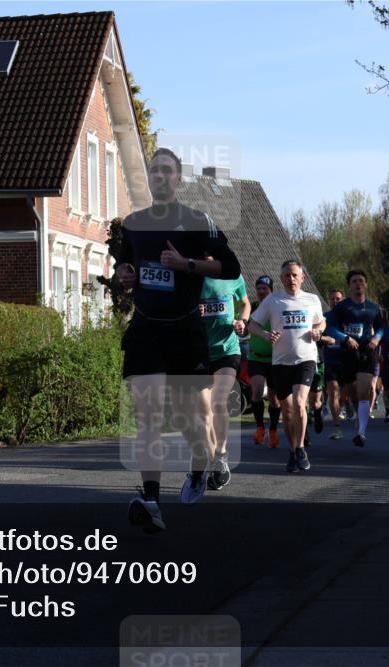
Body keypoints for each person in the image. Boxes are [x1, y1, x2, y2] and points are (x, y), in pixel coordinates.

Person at [115, 148, 241, 533]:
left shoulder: (197, 221)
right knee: (148, 415)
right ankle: (151, 500)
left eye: (167, 171)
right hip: (146, 329)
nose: (160, 176)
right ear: (148, 177)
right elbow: (124, 264)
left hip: (185, 330)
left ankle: (201, 465)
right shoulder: (134, 224)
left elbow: (230, 266)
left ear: (177, 178)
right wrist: (125, 274)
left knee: (190, 419)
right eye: (154, 170)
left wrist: (186, 264)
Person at [248, 260, 325, 472]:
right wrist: (265, 334)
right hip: (281, 362)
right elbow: (252, 325)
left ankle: (300, 449)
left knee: (300, 403)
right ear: (281, 279)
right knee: (288, 412)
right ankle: (292, 451)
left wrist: (318, 330)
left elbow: (321, 321)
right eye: (287, 276)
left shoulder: (312, 299)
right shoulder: (273, 300)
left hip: (305, 359)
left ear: (302, 278)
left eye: (294, 275)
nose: (291, 279)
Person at [198, 259, 250, 491]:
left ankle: (221, 454)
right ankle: (215, 465)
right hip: (200, 352)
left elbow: (245, 303)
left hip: (228, 350)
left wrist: (242, 321)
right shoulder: (192, 275)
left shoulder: (232, 275)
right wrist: (192, 312)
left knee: (219, 402)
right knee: (203, 414)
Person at [325, 269, 385, 448]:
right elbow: (331, 328)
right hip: (347, 352)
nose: (358, 284)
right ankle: (356, 412)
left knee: (364, 391)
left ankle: (361, 432)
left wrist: (376, 338)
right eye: (354, 281)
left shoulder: (373, 308)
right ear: (349, 286)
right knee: (352, 392)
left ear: (365, 284)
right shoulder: (342, 307)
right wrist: (345, 338)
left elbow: (382, 327)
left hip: (367, 351)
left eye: (361, 280)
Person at [247, 276, 282, 449]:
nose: (261, 291)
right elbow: (245, 326)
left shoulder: (277, 307)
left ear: (271, 291)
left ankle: (273, 430)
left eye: (265, 289)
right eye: (259, 288)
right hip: (256, 357)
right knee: (257, 391)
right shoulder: (253, 307)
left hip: (275, 359)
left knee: (274, 399)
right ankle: (260, 427)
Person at [322, 289, 346, 440]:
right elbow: (318, 335)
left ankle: (345, 404)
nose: (335, 301)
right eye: (333, 299)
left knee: (345, 393)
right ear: (329, 301)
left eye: (338, 299)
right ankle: (337, 427)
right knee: (333, 391)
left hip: (346, 361)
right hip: (330, 360)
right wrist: (325, 339)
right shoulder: (324, 317)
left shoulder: (348, 317)